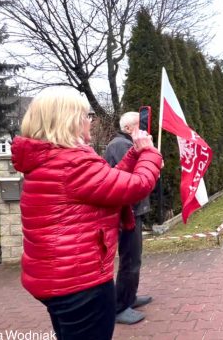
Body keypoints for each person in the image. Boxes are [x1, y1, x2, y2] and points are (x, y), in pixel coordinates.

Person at [11, 90, 162, 340]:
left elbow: (108, 182)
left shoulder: (51, 159)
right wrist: (150, 154)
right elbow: (137, 185)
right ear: (69, 120)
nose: (90, 120)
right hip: (79, 282)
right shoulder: (73, 163)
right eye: (86, 115)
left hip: (55, 278)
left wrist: (136, 153)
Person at [104, 112, 153, 325]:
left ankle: (129, 297)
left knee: (135, 258)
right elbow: (132, 177)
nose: (144, 130)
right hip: (127, 213)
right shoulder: (120, 146)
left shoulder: (124, 143)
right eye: (139, 126)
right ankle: (120, 306)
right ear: (128, 128)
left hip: (133, 210)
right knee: (129, 260)